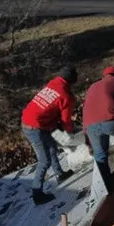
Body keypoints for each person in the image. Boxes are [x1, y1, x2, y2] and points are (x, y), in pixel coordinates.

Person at [21, 67, 78, 205]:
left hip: (31, 120)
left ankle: (60, 173)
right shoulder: (66, 96)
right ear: (72, 81)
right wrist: (70, 132)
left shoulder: (53, 83)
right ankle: (37, 194)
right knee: (44, 161)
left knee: (52, 146)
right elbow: (66, 121)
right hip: (34, 128)